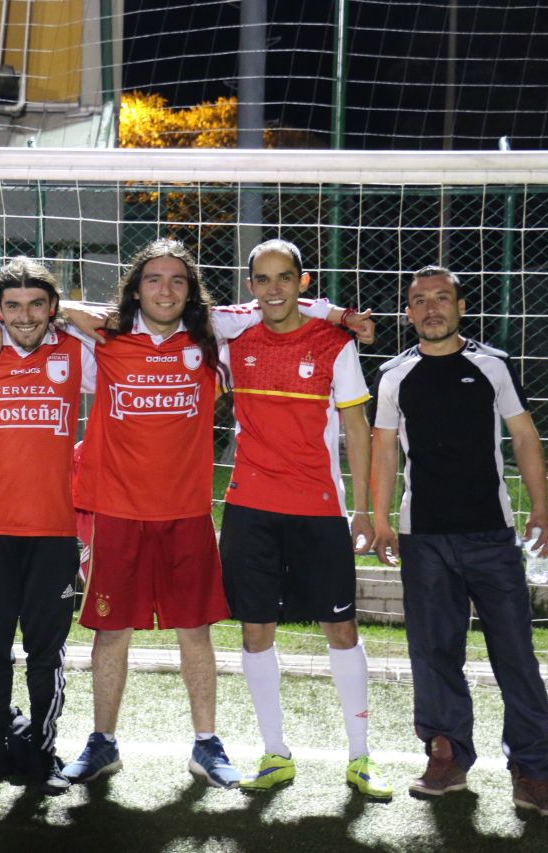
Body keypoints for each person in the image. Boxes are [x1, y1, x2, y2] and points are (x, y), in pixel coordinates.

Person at [66, 238, 358, 789]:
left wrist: (338, 313)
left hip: (188, 513)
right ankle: (102, 742)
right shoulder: (105, 341)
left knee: (196, 629)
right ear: (135, 289)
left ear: (191, 292)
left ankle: (206, 744)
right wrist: (18, 316)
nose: (166, 289)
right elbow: (38, 310)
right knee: (111, 631)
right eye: (153, 279)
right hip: (119, 513)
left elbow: (276, 303)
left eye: (178, 280)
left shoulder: (213, 338)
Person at [370, 266, 548, 818]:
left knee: (516, 656)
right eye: (420, 301)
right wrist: (382, 517)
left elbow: (524, 435)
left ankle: (533, 772)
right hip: (424, 539)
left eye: (442, 298)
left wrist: (541, 508)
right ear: (408, 313)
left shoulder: (491, 365)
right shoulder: (394, 375)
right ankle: (446, 754)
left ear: (461, 306)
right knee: (434, 654)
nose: (431, 308)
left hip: (491, 535)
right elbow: (384, 448)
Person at [217, 239, 391, 798]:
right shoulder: (234, 343)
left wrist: (363, 507)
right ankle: (275, 752)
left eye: (283, 278)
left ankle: (360, 757)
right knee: (255, 629)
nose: (273, 289)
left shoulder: (334, 344)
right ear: (250, 288)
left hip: (319, 510)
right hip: (249, 508)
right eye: (262, 279)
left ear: (302, 281)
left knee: (341, 629)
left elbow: (358, 432)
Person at [0, 258, 95, 796]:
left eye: (36, 304)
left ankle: (41, 751)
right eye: (12, 306)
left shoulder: (76, 353)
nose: (24, 316)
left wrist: (73, 316)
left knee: (46, 650)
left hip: (53, 529)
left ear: (51, 308)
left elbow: (129, 331)